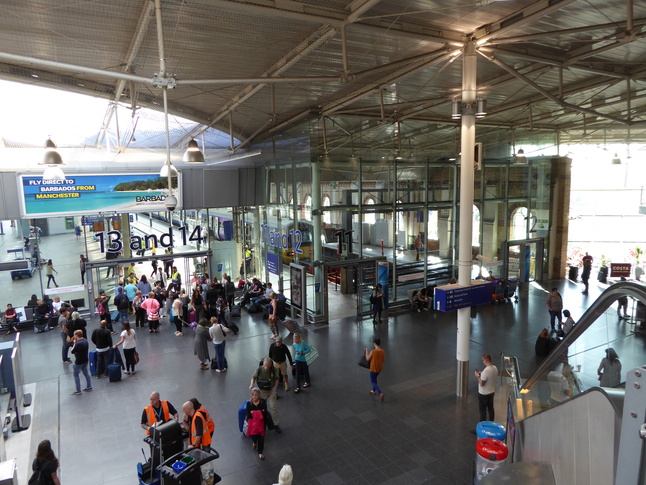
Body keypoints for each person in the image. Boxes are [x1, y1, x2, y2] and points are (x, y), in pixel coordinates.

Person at [250, 358, 282, 433]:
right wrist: (251, 385)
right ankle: (260, 421)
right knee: (260, 406)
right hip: (262, 391)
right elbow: (253, 377)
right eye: (265, 365)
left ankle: (276, 424)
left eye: (268, 365)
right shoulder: (259, 370)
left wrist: (275, 388)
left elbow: (277, 379)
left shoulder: (274, 370)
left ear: (271, 365)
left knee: (273, 406)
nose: (266, 367)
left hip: (271, 390)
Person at [246, 388, 268, 460]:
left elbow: (265, 413)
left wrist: (254, 413)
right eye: (253, 395)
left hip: (261, 424)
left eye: (256, 395)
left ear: (259, 395)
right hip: (253, 424)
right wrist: (259, 412)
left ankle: (260, 452)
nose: (254, 397)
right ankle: (254, 442)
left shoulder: (263, 402)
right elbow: (248, 415)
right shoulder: (249, 404)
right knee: (254, 436)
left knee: (261, 438)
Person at [475, 353, 498, 422]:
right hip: (491, 392)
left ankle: (482, 426)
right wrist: (482, 375)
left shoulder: (486, 371)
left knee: (482, 411)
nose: (483, 362)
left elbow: (481, 383)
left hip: (483, 394)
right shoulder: (494, 368)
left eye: (483, 360)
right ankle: (491, 422)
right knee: (491, 408)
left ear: (486, 361)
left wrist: (478, 376)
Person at [70, 329, 92, 394]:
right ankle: (89, 386)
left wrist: (74, 343)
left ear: (76, 335)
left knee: (76, 375)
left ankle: (78, 390)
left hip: (79, 361)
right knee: (86, 373)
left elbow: (72, 351)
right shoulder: (85, 341)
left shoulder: (78, 344)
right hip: (85, 360)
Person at [365, 337, 385, 401]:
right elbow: (383, 359)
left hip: (373, 369)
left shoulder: (373, 352)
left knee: (373, 382)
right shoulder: (382, 351)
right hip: (379, 369)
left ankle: (380, 393)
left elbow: (367, 358)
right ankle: (373, 390)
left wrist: (366, 352)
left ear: (374, 343)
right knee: (375, 379)